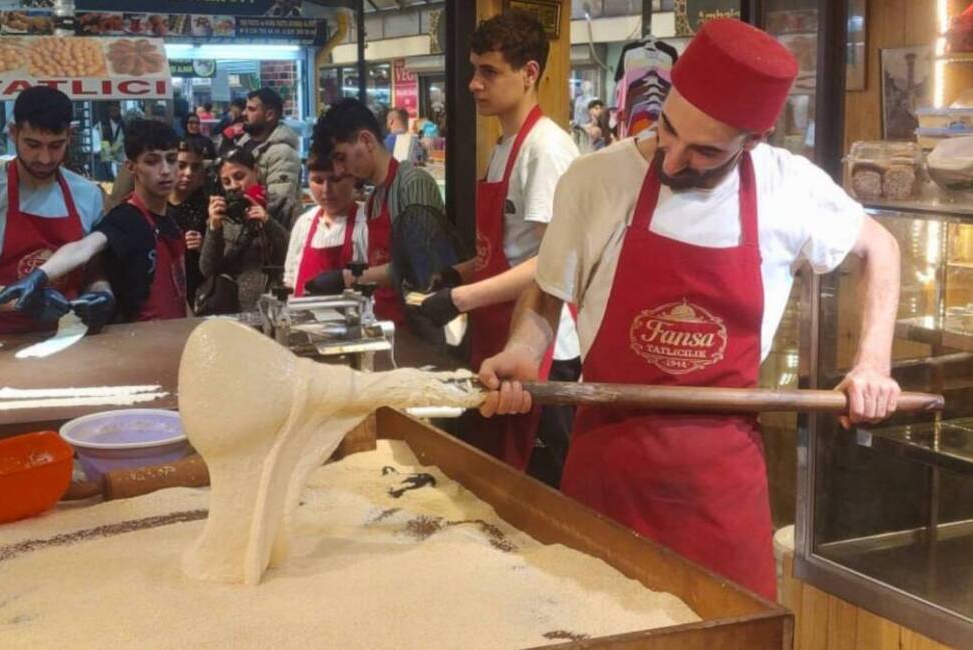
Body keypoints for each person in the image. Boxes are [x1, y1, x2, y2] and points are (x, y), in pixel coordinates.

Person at [479, 19, 903, 600]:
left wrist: (873, 362)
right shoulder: (596, 180)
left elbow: (880, 247)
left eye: (704, 150)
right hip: (608, 478)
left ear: (754, 139)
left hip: (721, 496)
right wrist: (524, 351)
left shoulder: (787, 188)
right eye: (667, 130)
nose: (673, 160)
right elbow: (547, 292)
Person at [410, 11, 581, 485]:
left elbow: (553, 261)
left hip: (544, 347)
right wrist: (456, 274)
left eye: (489, 72)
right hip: (498, 334)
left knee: (537, 487)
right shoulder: (504, 145)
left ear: (529, 74)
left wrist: (462, 300)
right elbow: (505, 248)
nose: (473, 84)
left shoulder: (546, 150)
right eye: (474, 70)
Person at [0, 119, 196, 326]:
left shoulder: (172, 221)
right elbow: (84, 247)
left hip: (174, 336)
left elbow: (179, 290)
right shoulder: (127, 217)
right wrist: (39, 276)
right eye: (152, 161)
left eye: (171, 159)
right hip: (138, 341)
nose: (166, 170)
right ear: (131, 167)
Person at [0, 86, 107, 336]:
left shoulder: (88, 194)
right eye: (33, 144)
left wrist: (102, 292)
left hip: (69, 336)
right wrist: (21, 301)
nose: (45, 158)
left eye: (56, 145)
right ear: (13, 132)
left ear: (70, 135)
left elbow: (93, 269)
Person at [311, 98, 445, 323]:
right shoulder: (375, 197)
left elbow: (421, 265)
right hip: (387, 318)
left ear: (366, 140)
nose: (339, 170)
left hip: (419, 323)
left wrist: (347, 278)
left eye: (341, 158)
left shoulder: (412, 183)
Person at [197, 147, 288, 314]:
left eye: (239, 177)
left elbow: (295, 256)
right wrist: (213, 228)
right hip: (232, 309)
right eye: (226, 182)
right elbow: (208, 269)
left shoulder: (283, 206)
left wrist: (268, 222)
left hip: (276, 306)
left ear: (256, 171)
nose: (233, 186)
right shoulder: (223, 214)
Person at [284, 152, 367, 296]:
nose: (326, 190)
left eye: (335, 179)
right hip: (300, 315)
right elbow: (290, 280)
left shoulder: (365, 222)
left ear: (354, 179)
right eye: (317, 180)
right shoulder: (304, 223)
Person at [237, 88, 302, 226]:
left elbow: (279, 204)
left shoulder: (282, 153)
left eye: (251, 109)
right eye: (245, 108)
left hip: (269, 234)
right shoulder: (243, 144)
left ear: (270, 115)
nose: (244, 113)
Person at [169, 137, 214, 308]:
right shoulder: (154, 205)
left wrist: (205, 246)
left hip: (200, 296)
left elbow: (226, 259)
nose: (188, 173)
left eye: (195, 167)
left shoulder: (211, 206)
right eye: (181, 166)